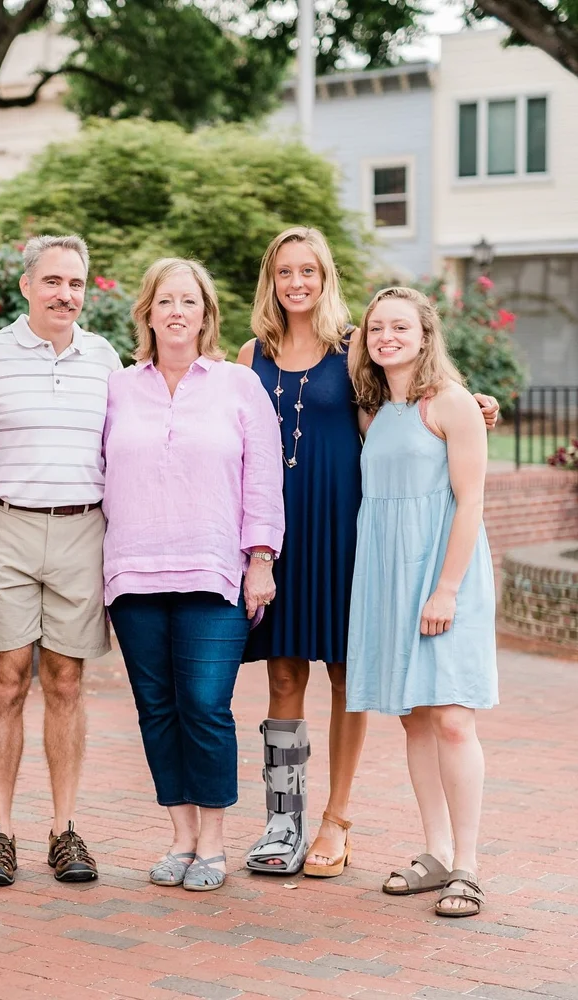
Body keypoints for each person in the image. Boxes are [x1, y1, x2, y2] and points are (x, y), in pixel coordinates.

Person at [237, 227, 499, 879]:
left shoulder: (354, 346)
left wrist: (475, 408)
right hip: (277, 531)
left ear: (326, 277)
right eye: (284, 271)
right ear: (271, 280)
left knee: (345, 676)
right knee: (283, 675)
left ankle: (337, 819)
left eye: (309, 270)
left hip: (345, 528)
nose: (297, 282)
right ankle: (284, 818)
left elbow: (415, 396)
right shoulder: (250, 355)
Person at [104, 258, 284, 892]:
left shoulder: (238, 384)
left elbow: (263, 478)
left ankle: (212, 842)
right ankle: (180, 838)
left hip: (215, 571)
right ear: (147, 313)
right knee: (156, 707)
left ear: (206, 314)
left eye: (189, 301)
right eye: (165, 301)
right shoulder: (118, 387)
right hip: (133, 572)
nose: (176, 311)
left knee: (206, 706)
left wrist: (260, 559)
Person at [0, 235, 121, 887]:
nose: (65, 294)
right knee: (5, 680)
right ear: (26, 285)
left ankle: (64, 828)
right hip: (4, 526)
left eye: (76, 283)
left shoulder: (105, 358)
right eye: (53, 281)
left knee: (65, 681)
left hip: (83, 528)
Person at [346, 286, 496, 918]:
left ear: (425, 334)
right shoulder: (374, 410)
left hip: (442, 573)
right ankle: (435, 851)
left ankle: (468, 865)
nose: (387, 337)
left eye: (400, 326)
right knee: (413, 717)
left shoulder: (452, 402)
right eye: (376, 327)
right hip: (390, 576)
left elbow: (471, 500)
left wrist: (446, 588)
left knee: (454, 718)